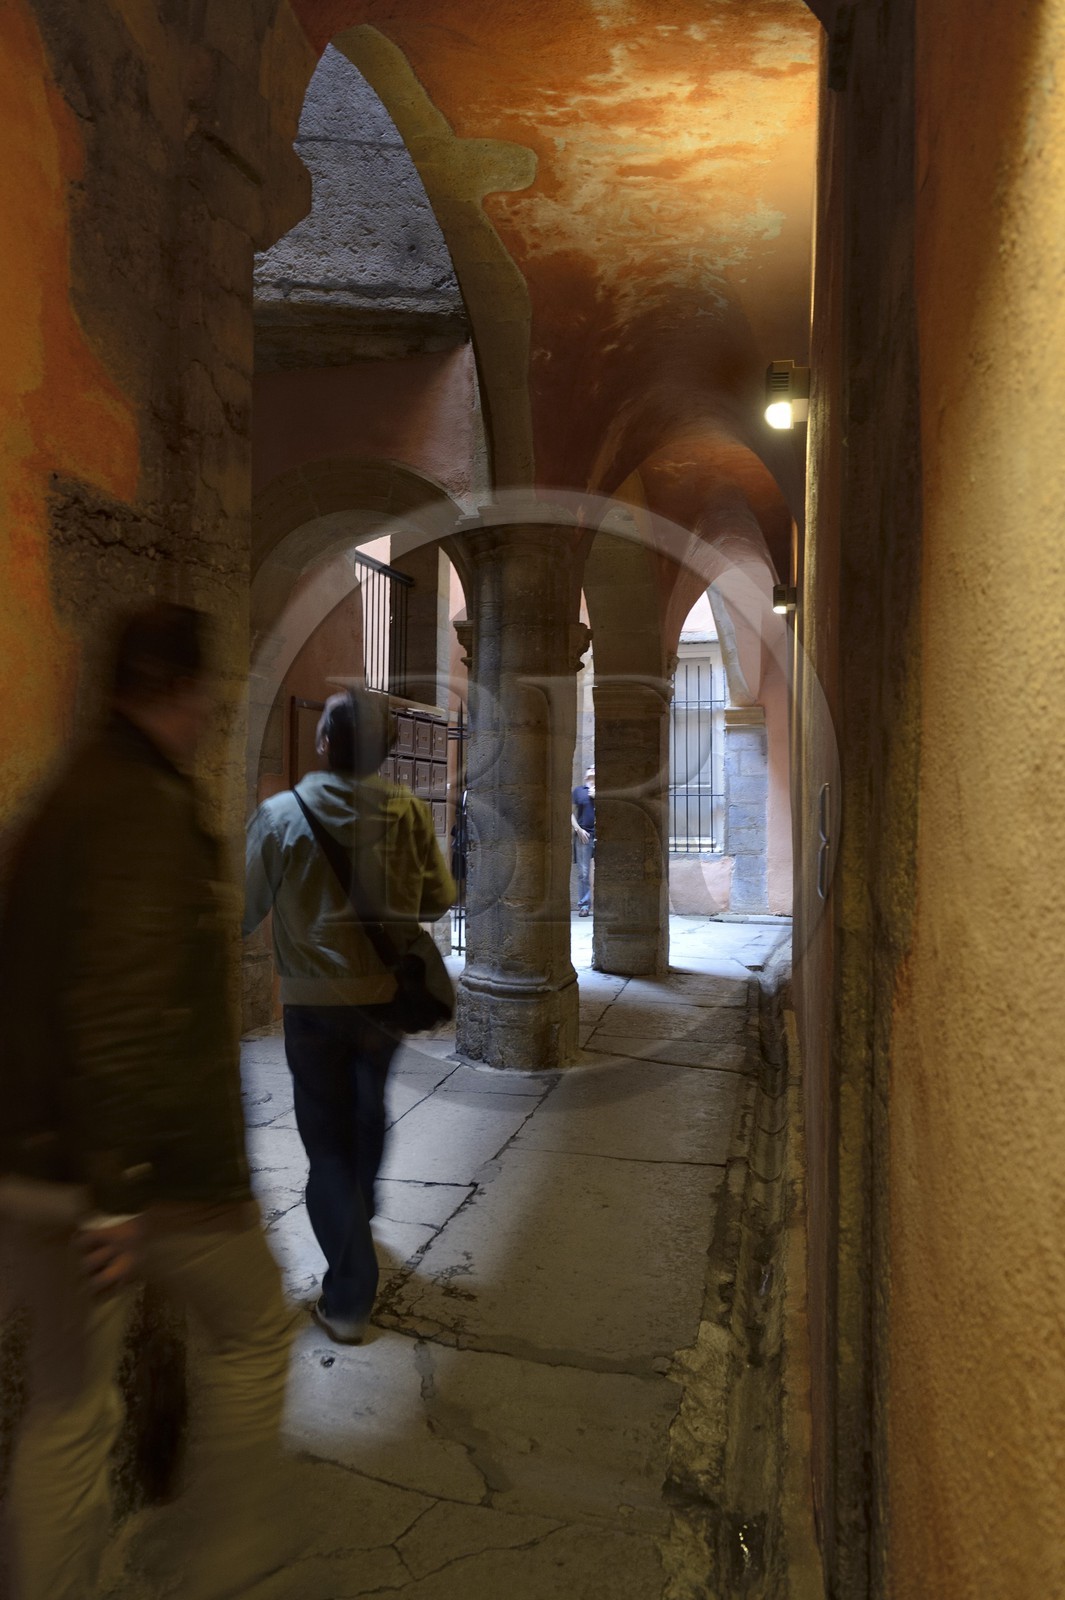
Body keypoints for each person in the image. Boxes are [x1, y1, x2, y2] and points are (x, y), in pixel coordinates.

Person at [0, 603, 293, 1600]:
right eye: (207, 691)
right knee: (256, 1332)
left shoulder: (61, 800)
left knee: (67, 1410)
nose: (214, 711)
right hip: (142, 1178)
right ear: (176, 688)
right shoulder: (141, 809)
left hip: (34, 1167)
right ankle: (225, 1562)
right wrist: (119, 1189)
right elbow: (118, 1002)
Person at [243, 687, 455, 1345]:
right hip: (382, 1002)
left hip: (311, 1006)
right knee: (368, 1115)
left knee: (325, 1142)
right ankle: (358, 1215)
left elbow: (246, 906)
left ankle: (348, 1293)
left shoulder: (280, 813)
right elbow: (437, 900)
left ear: (323, 742)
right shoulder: (409, 810)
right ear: (387, 750)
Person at [572, 763, 596, 917]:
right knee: (583, 872)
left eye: (595, 767)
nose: (592, 768)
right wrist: (578, 829)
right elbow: (570, 812)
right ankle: (584, 905)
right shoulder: (579, 791)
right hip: (584, 834)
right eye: (590, 767)